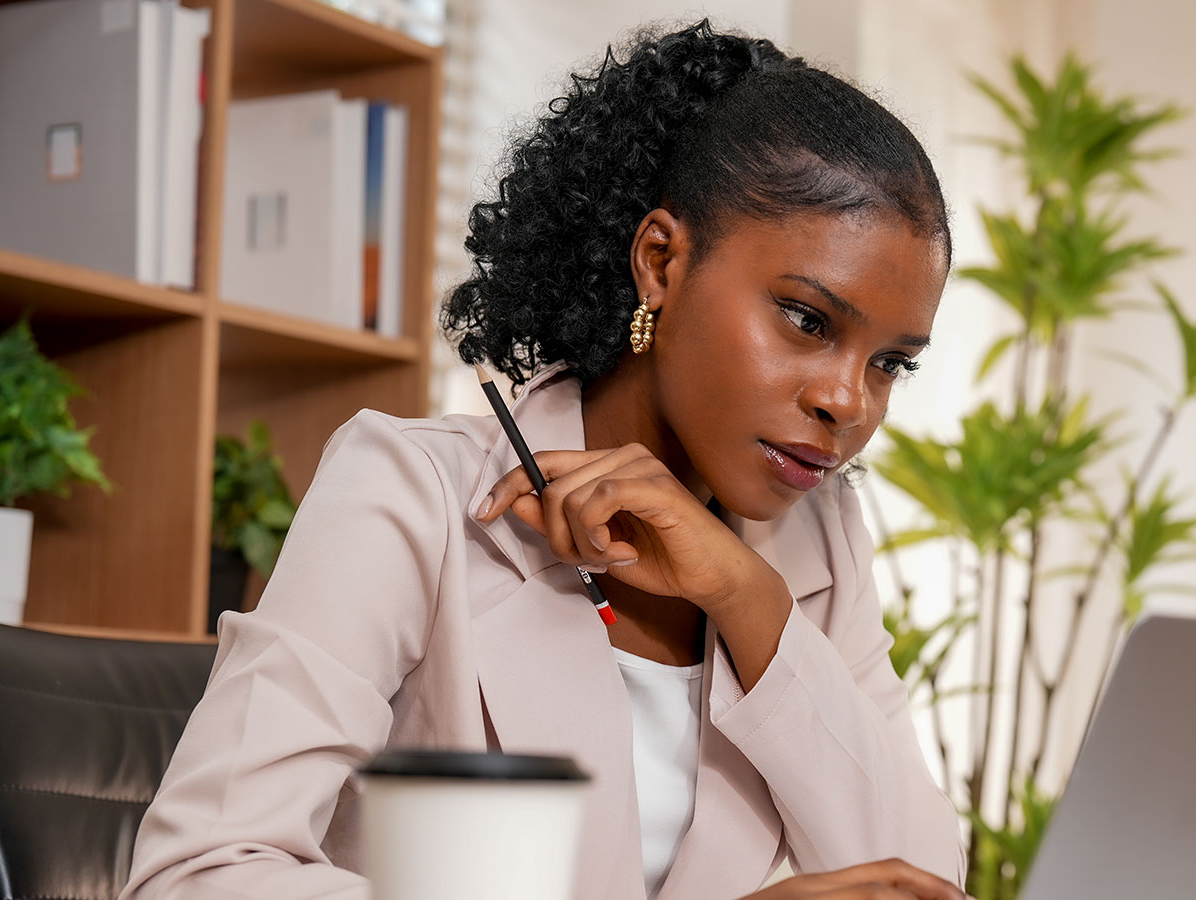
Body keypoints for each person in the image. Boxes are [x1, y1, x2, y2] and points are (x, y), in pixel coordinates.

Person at [121, 18, 968, 900]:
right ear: (660, 263)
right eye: (806, 319)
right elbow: (198, 878)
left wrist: (751, 600)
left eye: (891, 363)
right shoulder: (413, 493)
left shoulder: (818, 545)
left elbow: (923, 881)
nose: (849, 401)